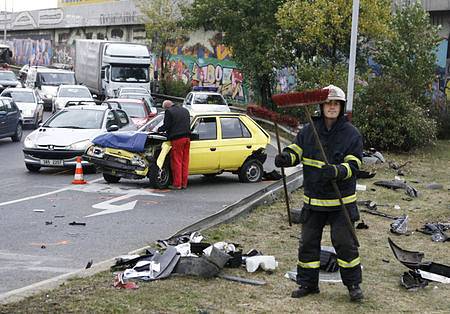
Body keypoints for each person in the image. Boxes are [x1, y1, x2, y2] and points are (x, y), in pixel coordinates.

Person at [275, 85, 364, 302]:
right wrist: (286, 157)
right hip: (314, 200)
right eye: (328, 103)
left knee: (344, 243)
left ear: (341, 107)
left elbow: (355, 164)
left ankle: (353, 285)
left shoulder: (352, 134)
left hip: (340, 202)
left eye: (336, 104)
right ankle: (308, 284)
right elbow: (297, 150)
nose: (332, 107)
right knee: (308, 243)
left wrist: (337, 171)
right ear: (321, 106)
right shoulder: (308, 131)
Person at [158, 100, 191, 190]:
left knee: (177, 162)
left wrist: (158, 130)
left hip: (177, 139)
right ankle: (184, 183)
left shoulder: (169, 111)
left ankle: (177, 184)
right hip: (187, 138)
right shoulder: (185, 110)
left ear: (166, 107)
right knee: (185, 162)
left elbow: (166, 126)